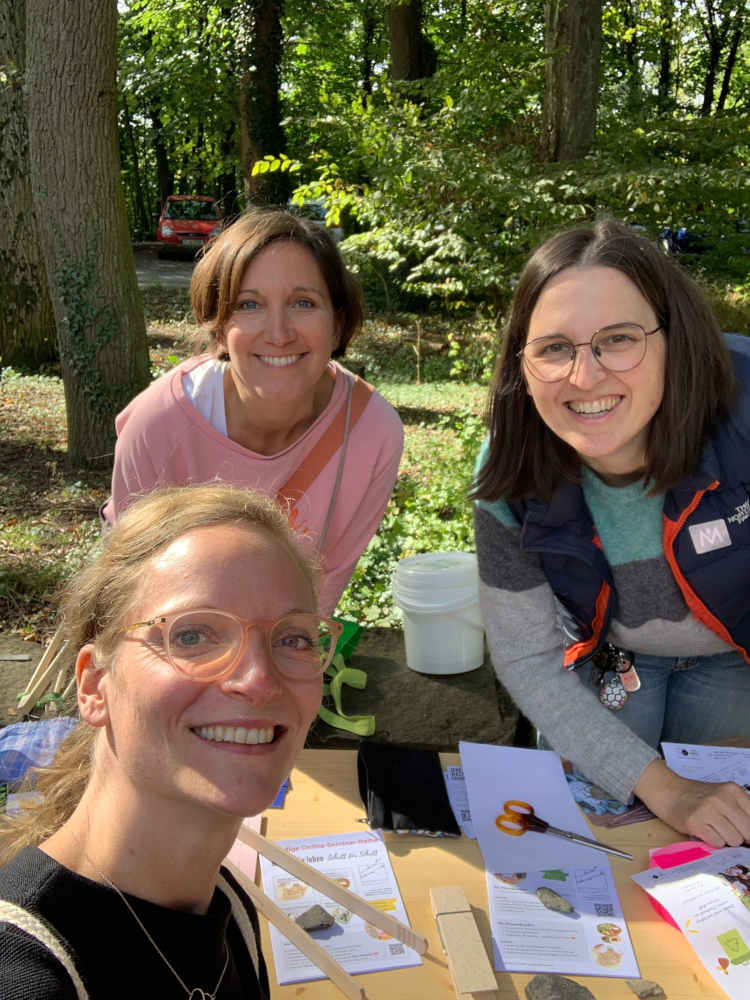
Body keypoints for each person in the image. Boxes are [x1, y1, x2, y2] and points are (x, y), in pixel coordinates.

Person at [0, 484, 341, 999]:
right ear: (95, 685)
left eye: (292, 638)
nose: (258, 679)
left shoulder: (228, 910)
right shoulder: (26, 977)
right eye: (192, 635)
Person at [472, 219, 750, 847]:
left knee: (721, 835)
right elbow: (527, 657)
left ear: (673, 340)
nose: (585, 377)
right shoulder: (508, 471)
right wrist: (663, 786)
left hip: (736, 655)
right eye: (554, 348)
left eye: (617, 339)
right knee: (597, 832)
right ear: (522, 362)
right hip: (606, 655)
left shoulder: (745, 414)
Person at [102, 208, 404, 615]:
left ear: (338, 322)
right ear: (219, 325)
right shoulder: (159, 425)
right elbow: (131, 595)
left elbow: (319, 597)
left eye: (303, 302)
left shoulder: (373, 433)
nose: (278, 333)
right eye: (249, 305)